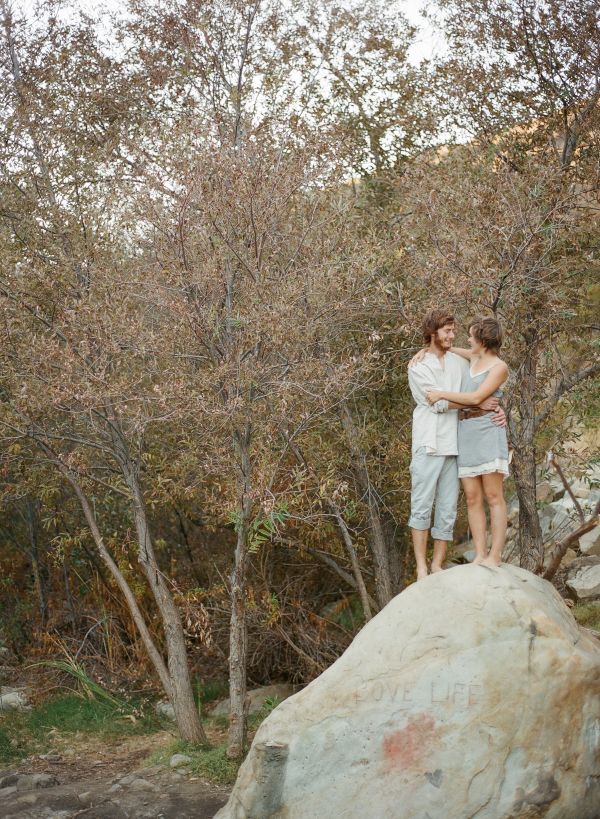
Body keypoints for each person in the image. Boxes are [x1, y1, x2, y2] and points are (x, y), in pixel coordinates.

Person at [407, 309, 505, 580]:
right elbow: (437, 403)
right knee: (422, 504)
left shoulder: (458, 362)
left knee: (448, 507)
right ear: (432, 334)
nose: (452, 335)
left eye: (454, 330)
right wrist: (477, 403)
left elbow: (482, 380)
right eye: (447, 331)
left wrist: (495, 407)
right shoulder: (417, 366)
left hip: (457, 442)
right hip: (428, 441)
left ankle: (437, 564)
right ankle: (421, 567)